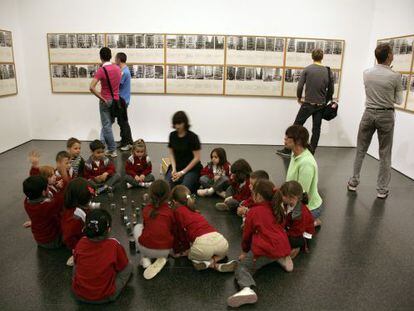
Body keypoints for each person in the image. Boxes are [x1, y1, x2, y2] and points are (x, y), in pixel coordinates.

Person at [347, 43, 403, 199]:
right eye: (392, 53)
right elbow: (398, 100)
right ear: (389, 56)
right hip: (386, 116)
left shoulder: (367, 73)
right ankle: (382, 189)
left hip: (368, 113)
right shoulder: (395, 76)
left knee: (361, 150)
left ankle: (353, 182)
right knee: (385, 154)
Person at [227, 180, 293, 308]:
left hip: (266, 250)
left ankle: (247, 289)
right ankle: (282, 258)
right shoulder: (278, 208)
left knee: (242, 268)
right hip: (284, 245)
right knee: (273, 245)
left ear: (258, 196)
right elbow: (281, 227)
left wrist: (245, 252)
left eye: (253, 193)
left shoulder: (253, 211)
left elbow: (246, 235)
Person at [277, 48, 334, 156]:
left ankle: (288, 150)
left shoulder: (307, 69)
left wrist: (299, 97)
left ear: (312, 57)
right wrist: (325, 101)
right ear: (322, 58)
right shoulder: (328, 71)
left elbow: (300, 86)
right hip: (320, 105)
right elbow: (331, 90)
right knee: (316, 129)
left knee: (296, 126)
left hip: (308, 104)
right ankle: (311, 152)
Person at [171, 185, 237, 272]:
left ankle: (210, 265)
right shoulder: (195, 211)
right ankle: (216, 262)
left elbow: (180, 234)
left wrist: (181, 250)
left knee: (191, 256)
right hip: (221, 241)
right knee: (221, 255)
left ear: (174, 202)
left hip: (203, 246)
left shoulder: (177, 212)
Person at [72, 209, 132, 304]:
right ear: (108, 229)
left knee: (76, 263)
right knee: (128, 267)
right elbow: (124, 266)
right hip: (106, 296)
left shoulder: (80, 243)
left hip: (80, 295)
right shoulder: (114, 245)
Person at [133, 180, 175, 280]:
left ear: (150, 193)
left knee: (137, 227)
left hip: (146, 248)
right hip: (166, 250)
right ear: (168, 195)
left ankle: (145, 258)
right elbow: (172, 230)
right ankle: (161, 257)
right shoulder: (170, 212)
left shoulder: (147, 209)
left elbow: (146, 227)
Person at [284, 125, 323, 227]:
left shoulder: (306, 163)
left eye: (288, 137)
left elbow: (301, 195)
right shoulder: (295, 154)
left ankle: (312, 222)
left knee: (287, 226)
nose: (285, 139)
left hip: (308, 207)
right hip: (293, 200)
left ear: (298, 141)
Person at [89, 47, 121, 158]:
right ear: (110, 56)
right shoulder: (117, 68)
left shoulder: (101, 70)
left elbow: (91, 87)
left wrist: (102, 98)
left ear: (100, 57)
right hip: (116, 101)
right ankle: (105, 144)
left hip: (105, 101)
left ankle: (112, 149)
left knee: (106, 126)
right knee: (109, 124)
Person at [23, 174, 67, 249]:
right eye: (48, 187)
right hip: (53, 241)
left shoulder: (27, 202)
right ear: (43, 192)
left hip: (40, 239)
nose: (49, 188)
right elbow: (61, 199)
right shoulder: (47, 206)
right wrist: (61, 188)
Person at [166, 111, 202, 193]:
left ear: (185, 123)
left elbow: (197, 158)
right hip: (177, 166)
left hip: (191, 169)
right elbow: (171, 153)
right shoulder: (172, 135)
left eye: (179, 123)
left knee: (183, 189)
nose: (177, 126)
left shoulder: (193, 137)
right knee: (166, 186)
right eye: (175, 124)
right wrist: (174, 169)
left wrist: (182, 172)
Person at [61, 178, 95, 266]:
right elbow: (68, 237)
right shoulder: (74, 218)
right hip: (81, 244)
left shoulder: (78, 207)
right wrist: (77, 248)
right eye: (89, 198)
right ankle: (77, 256)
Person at [277, 181, 315, 259]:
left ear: (292, 198)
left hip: (302, 235)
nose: (281, 197)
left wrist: (283, 234)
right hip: (292, 228)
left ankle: (298, 247)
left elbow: (297, 232)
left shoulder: (299, 214)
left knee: (284, 240)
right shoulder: (288, 203)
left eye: (283, 195)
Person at [114, 52, 134, 151]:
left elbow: (118, 85)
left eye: (115, 58)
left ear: (119, 59)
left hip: (123, 100)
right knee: (121, 122)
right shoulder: (123, 70)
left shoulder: (124, 72)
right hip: (122, 100)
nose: (114, 60)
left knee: (123, 122)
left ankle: (128, 143)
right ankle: (124, 141)